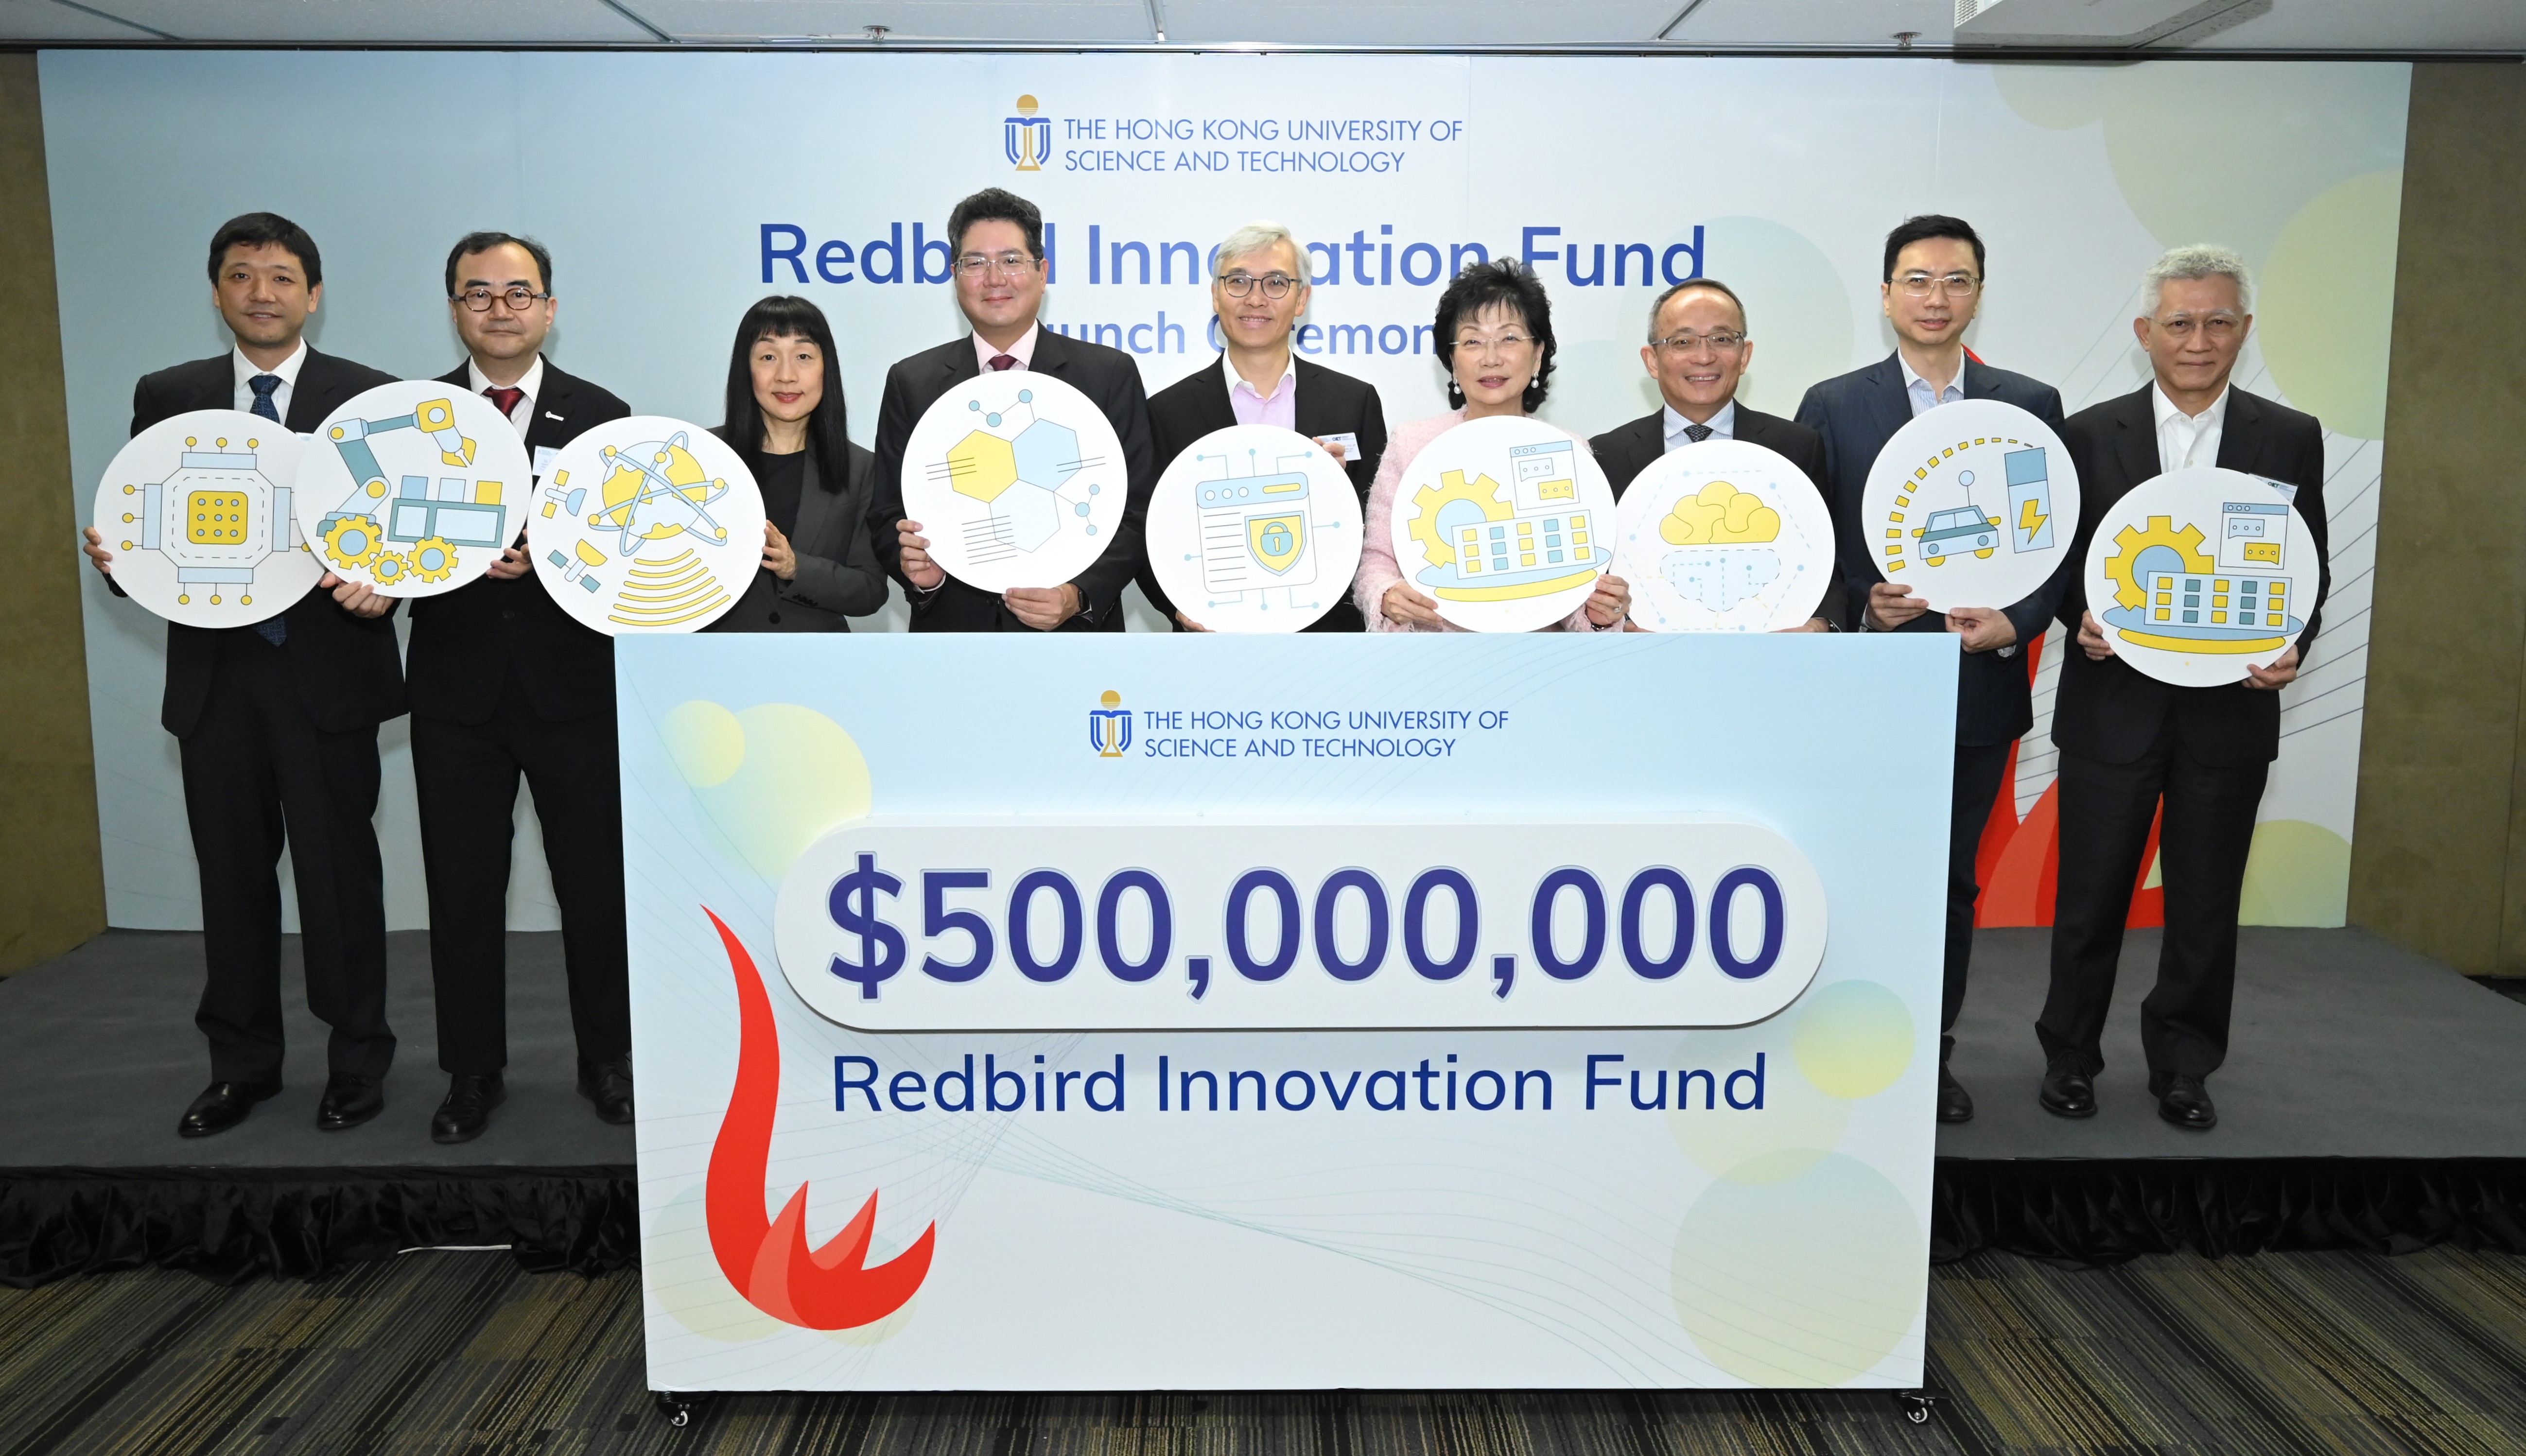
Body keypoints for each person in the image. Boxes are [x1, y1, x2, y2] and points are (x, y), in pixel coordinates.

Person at [78, 212, 401, 1138]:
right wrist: (122, 561)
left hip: (329, 676)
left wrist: (388, 582)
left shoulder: (370, 397)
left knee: (340, 880)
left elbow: (399, 535)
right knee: (230, 879)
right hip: (217, 682)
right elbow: (150, 526)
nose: (263, 292)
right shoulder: (168, 395)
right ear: (217, 290)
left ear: (314, 294)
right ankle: (242, 1065)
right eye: (242, 275)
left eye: (282, 277)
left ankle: (357, 1060)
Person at [2037, 245, 2328, 1132]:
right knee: (2089, 899)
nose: (2197, 341)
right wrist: (2079, 617)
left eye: (2216, 323)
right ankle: (2070, 1056)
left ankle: (2184, 1065)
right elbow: (2058, 565)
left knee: (2205, 904)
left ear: (2243, 330)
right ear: (2144, 332)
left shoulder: (2290, 436)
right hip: (2112, 707)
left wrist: (2293, 644)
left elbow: (2306, 570)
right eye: (2178, 323)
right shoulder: (2088, 434)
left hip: (2228, 711)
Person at [1795, 215, 2068, 1126]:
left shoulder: (2028, 405)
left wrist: (2014, 623)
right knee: (1851, 876)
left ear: (1978, 294)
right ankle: (1840, 1042)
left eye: (1955, 280)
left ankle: (1929, 1055)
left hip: (1976, 689)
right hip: (1864, 693)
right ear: (1885, 295)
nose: (1935, 297)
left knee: (1949, 884)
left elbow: (2055, 546)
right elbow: (1808, 546)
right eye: (1916, 280)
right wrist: (1858, 605)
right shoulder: (1833, 404)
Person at [406, 231, 635, 1144]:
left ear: (549, 307)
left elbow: (628, 551)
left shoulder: (603, 414)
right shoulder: (416, 417)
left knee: (596, 888)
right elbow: (386, 542)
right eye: (479, 293)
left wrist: (556, 556)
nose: (499, 310)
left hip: (574, 686)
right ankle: (471, 1073)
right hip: (455, 691)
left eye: (518, 293)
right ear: (454, 307)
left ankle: (608, 1060)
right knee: (462, 892)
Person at [870, 188, 1155, 631]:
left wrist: (1077, 595)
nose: (994, 278)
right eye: (975, 263)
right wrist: (922, 574)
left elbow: (1137, 511)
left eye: (1011, 260)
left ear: (1042, 272)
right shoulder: (912, 382)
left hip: (1075, 642)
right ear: (955, 275)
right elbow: (887, 512)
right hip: (953, 639)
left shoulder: (1107, 375)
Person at [1136, 221, 1389, 631]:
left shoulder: (1353, 401)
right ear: (1215, 295)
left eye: (1275, 283)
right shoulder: (1165, 412)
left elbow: (1376, 531)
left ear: (1301, 298)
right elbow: (1146, 530)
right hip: (1214, 640)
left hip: (1329, 639)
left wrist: (1331, 490)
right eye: (1238, 282)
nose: (1255, 299)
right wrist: (1178, 607)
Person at [1354, 260, 1630, 634]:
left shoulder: (1568, 449)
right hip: (1435, 658)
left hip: (1541, 660)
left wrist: (1598, 614)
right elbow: (1376, 561)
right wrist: (1386, 595)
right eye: (1472, 341)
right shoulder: (1412, 445)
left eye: (1509, 338)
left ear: (1537, 355)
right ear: (1452, 361)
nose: (1491, 358)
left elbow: (1575, 577)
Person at [1589, 277, 1841, 631]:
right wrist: (1614, 623)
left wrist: (1820, 625)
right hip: (1647, 653)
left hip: (1769, 652)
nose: (1704, 357)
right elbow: (1596, 580)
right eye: (1682, 342)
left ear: (1745, 355)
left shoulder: (1796, 447)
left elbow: (1826, 562)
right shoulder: (1606, 455)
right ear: (1652, 360)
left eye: (1722, 339)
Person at [703, 295, 888, 631]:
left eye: (803, 356)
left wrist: (797, 568)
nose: (786, 376)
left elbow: (871, 590)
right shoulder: (703, 458)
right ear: (746, 369)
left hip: (817, 660)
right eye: (768, 357)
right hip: (716, 656)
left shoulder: (860, 468)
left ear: (826, 368)